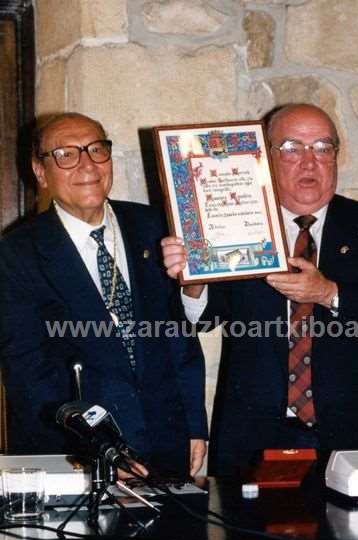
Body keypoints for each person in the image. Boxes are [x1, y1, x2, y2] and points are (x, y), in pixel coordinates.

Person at [161, 103, 358, 476]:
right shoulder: (234, 226)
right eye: (291, 148)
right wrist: (194, 279)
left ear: (336, 156)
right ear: (264, 158)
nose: (308, 161)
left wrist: (328, 291)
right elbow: (203, 319)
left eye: (322, 147)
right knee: (248, 536)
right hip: (255, 437)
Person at [0, 112, 207, 477]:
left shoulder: (155, 227)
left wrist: (193, 425)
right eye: (66, 154)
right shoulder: (17, 254)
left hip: (165, 443)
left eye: (97, 149)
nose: (87, 165)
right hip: (76, 458)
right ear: (40, 172)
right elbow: (30, 372)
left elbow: (180, 338)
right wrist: (103, 450)